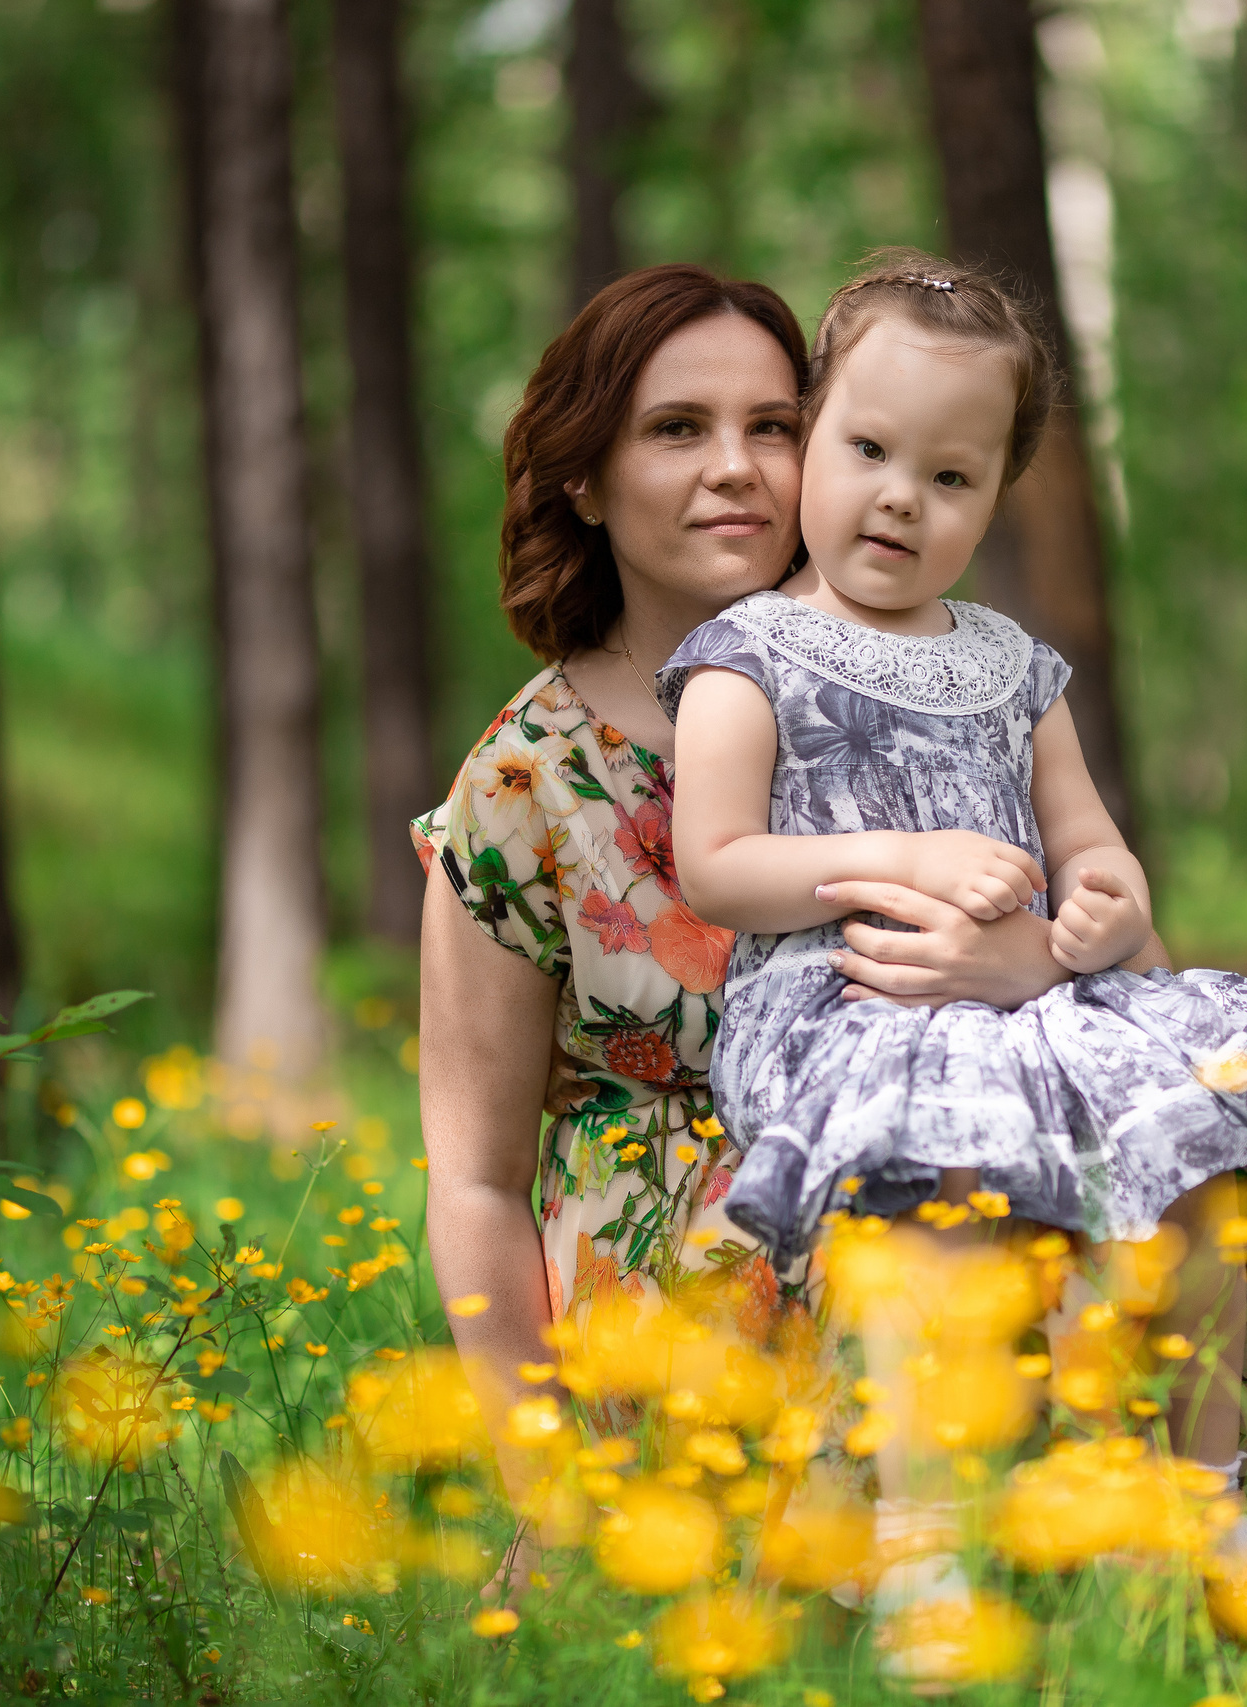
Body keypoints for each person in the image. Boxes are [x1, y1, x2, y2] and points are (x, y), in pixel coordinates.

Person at [664, 250, 1247, 1643]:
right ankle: (920, 1543)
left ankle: (1205, 1492)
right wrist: (900, 859)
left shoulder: (1013, 668)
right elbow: (718, 865)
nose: (902, 497)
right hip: (854, 1001)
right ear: (814, 433)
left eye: (952, 476)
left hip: (1037, 1002)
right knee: (947, 1214)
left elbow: (1093, 840)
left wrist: (1106, 903)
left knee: (1198, 1170)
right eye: (866, 450)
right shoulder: (751, 652)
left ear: (995, 494)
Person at [415, 265, 1083, 1562]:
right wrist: (548, 1498)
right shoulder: (521, 787)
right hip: (678, 1356)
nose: (737, 467)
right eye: (677, 429)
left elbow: (1101, 954)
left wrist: (1027, 961)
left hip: (938, 1275)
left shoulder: (939, 695)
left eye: (771, 425)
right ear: (585, 478)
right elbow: (477, 1181)